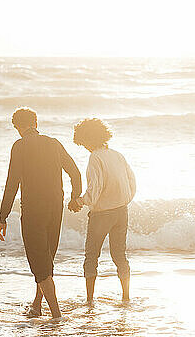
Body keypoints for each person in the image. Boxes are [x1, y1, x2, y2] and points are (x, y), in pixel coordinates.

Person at [0, 107, 82, 319]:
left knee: (40, 263)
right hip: (55, 208)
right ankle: (37, 305)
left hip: (34, 210)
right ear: (36, 122)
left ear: (18, 127)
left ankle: (56, 316)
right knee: (46, 259)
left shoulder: (20, 146)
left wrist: (3, 217)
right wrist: (74, 198)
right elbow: (75, 173)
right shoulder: (53, 143)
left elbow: (12, 183)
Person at [68, 118, 136, 303]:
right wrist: (124, 200)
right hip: (121, 211)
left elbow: (95, 189)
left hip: (102, 214)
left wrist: (79, 202)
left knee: (91, 256)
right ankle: (126, 297)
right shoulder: (117, 155)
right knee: (120, 255)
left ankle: (89, 300)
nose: (85, 148)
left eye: (83, 143)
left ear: (88, 140)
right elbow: (132, 181)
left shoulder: (95, 157)